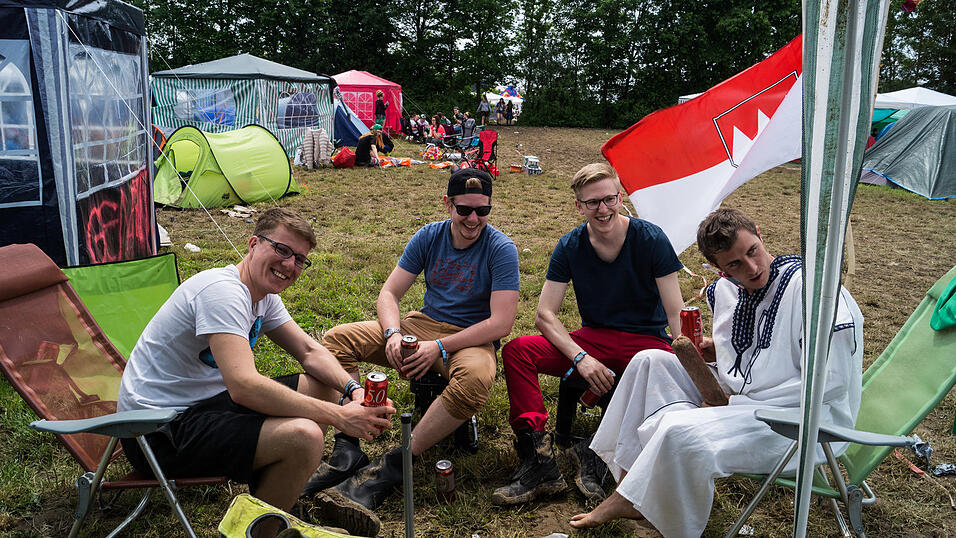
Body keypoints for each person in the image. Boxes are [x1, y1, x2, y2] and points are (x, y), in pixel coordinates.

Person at [569, 208, 864, 537]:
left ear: (758, 232)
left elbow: (831, 383)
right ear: (719, 269)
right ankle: (630, 487)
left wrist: (733, 404)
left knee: (678, 430)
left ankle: (645, 506)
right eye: (735, 264)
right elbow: (762, 357)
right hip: (744, 399)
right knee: (647, 360)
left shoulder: (813, 293)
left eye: (752, 251)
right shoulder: (739, 291)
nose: (751, 268)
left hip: (805, 419)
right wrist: (720, 355)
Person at [117, 208, 395, 533]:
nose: (290, 265)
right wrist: (339, 416)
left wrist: (353, 391)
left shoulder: (261, 295)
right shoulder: (221, 292)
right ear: (252, 244)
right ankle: (259, 530)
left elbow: (309, 351)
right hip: (156, 433)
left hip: (203, 408)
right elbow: (245, 387)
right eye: (282, 250)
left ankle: (284, 497)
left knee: (324, 387)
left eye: (300, 259)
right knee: (304, 437)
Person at [308, 169, 520, 532]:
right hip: (420, 325)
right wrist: (392, 334)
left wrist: (436, 346)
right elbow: (389, 293)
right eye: (464, 210)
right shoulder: (429, 235)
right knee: (337, 340)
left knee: (476, 379)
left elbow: (501, 324)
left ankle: (394, 464)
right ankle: (348, 445)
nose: (473, 219)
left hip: (469, 338)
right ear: (447, 204)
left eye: (482, 211)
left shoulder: (501, 248)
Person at [491, 163, 684, 506]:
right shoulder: (570, 246)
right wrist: (580, 357)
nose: (603, 209)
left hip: (647, 341)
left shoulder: (651, 238)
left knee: (669, 378)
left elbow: (675, 312)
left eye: (609, 199)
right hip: (594, 339)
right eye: (592, 202)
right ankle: (539, 460)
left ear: (620, 197)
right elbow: (544, 314)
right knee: (519, 351)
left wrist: (684, 360)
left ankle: (595, 453)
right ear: (578, 206)